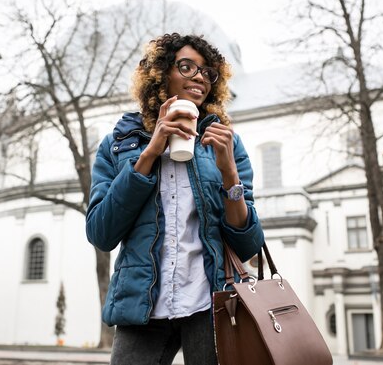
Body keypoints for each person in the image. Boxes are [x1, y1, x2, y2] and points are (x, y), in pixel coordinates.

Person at [86, 33, 264, 365]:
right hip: (141, 306)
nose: (199, 77)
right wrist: (151, 151)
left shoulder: (225, 142)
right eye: (187, 67)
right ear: (160, 73)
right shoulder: (119, 144)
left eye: (208, 72)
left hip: (211, 304)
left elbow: (249, 244)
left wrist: (229, 174)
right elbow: (101, 233)